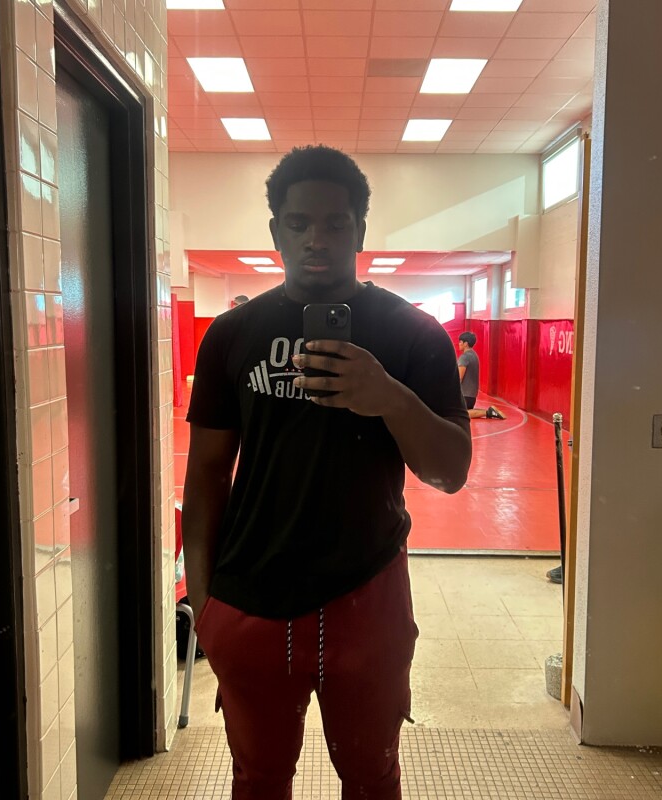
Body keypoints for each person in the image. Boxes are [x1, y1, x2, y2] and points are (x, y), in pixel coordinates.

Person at [182, 144, 472, 800]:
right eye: (299, 222)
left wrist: (389, 397)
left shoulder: (413, 334)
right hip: (250, 598)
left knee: (372, 779)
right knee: (258, 780)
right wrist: (204, 607)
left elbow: (450, 471)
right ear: (276, 231)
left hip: (366, 594)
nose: (317, 238)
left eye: (336, 223)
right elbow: (205, 479)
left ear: (360, 231)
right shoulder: (231, 334)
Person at [457, 331, 505, 420]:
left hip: (464, 395)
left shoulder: (464, 357)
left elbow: (458, 378)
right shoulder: (474, 355)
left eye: (460, 342)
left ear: (466, 344)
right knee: (465, 411)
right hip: (471, 395)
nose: (458, 344)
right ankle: (489, 412)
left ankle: (488, 412)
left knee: (459, 414)